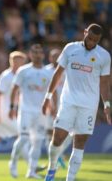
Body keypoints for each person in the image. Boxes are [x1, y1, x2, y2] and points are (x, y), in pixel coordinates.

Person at [43, 23, 111, 181]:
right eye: (90, 38)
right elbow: (58, 73)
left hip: (89, 106)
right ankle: (52, 168)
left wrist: (107, 104)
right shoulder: (70, 49)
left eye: (96, 40)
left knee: (79, 142)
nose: (92, 43)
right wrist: (47, 97)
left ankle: (70, 178)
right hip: (68, 102)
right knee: (57, 138)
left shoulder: (104, 56)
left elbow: (105, 82)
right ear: (85, 32)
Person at [8, 44, 53, 179]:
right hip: (26, 110)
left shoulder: (48, 72)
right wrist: (12, 107)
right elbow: (14, 89)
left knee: (37, 142)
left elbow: (52, 91)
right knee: (23, 138)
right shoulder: (23, 70)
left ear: (43, 55)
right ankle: (13, 163)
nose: (37, 55)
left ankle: (31, 171)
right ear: (30, 55)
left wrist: (53, 106)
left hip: (41, 113)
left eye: (39, 52)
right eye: (34, 52)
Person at [44, 48, 72, 170]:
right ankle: (54, 160)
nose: (56, 58)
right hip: (50, 108)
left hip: (66, 106)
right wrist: (50, 105)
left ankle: (58, 154)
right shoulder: (45, 71)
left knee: (70, 134)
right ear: (49, 57)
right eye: (53, 55)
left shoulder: (67, 71)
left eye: (58, 55)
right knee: (50, 134)